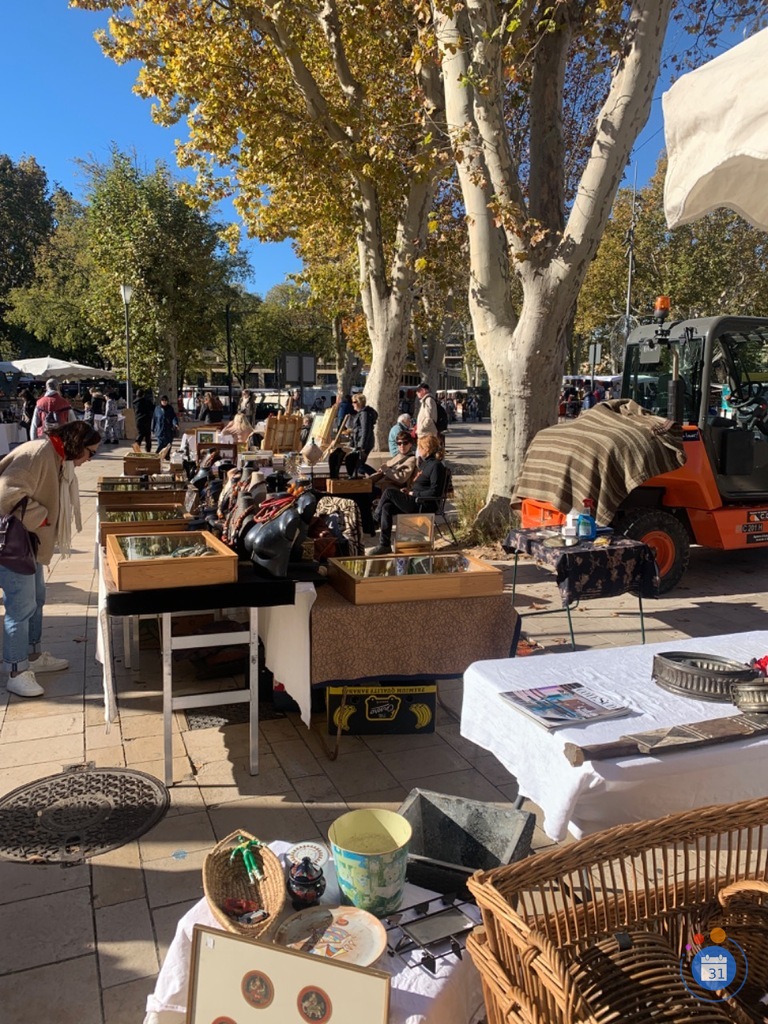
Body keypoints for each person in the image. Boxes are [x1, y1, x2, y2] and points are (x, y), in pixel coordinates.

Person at [0, 419, 101, 697]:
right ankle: (16, 670)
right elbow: (4, 494)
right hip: (13, 543)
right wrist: (41, 518)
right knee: (20, 607)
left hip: (27, 542)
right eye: (90, 452)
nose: (89, 459)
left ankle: (31, 656)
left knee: (37, 598)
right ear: (77, 445)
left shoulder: (52, 454)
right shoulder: (38, 454)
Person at [370, 434, 447, 554]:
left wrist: (413, 493)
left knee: (389, 492)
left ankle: (375, 518)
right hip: (416, 500)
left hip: (424, 504)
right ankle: (384, 544)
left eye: (420, 447)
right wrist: (409, 491)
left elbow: (435, 491)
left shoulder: (436, 466)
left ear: (426, 449)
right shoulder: (425, 464)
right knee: (387, 507)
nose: (418, 450)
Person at [371, 431, 417, 495]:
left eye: (405, 443)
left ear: (410, 444)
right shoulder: (399, 456)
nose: (402, 446)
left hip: (390, 489)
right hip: (380, 485)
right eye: (399, 443)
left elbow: (402, 478)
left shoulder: (411, 459)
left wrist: (386, 469)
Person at [344, 393, 378, 478]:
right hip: (361, 442)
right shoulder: (361, 413)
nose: (352, 404)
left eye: (354, 402)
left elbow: (365, 430)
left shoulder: (364, 414)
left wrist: (362, 446)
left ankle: (377, 476)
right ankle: (361, 479)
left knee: (358, 464)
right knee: (358, 464)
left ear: (360, 402)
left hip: (364, 443)